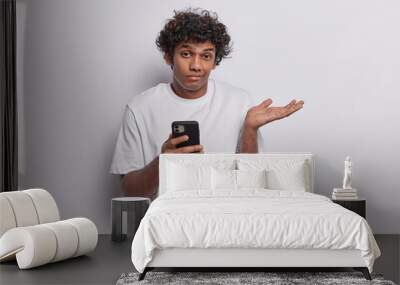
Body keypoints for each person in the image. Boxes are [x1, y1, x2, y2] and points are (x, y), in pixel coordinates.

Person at [110, 8, 304, 199]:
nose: (196, 66)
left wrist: (250, 130)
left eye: (206, 56)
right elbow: (130, 191)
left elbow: (250, 184)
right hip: (166, 221)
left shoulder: (239, 102)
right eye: (186, 54)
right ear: (168, 56)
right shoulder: (140, 108)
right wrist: (163, 161)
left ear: (215, 61)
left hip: (224, 217)